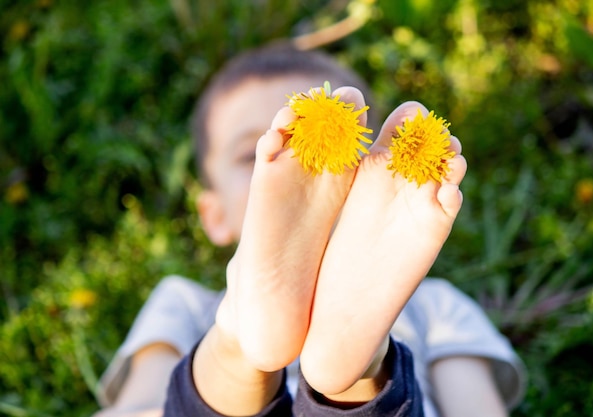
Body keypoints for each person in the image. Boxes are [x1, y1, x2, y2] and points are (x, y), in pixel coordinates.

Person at [92, 41, 526, 417]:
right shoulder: (181, 302)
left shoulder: (435, 305)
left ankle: (307, 359)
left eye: (336, 143)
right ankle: (271, 346)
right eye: (251, 154)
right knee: (252, 357)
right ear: (213, 214)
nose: (300, 159)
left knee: (216, 377)